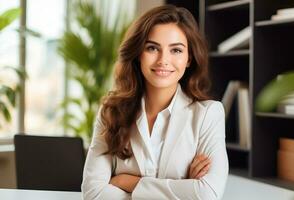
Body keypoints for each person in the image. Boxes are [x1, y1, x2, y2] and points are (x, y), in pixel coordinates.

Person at [81, 4, 229, 200]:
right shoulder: (111, 112)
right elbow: (93, 193)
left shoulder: (208, 114)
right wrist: (181, 187)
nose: (163, 60)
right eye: (152, 48)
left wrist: (128, 182)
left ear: (189, 58)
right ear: (138, 54)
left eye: (176, 50)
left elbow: (207, 194)